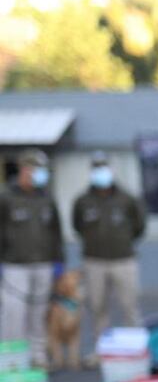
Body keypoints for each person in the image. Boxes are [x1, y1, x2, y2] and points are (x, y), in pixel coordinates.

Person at [72, 152, 146, 363]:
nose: (100, 172)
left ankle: (134, 350)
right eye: (96, 168)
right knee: (97, 307)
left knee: (129, 305)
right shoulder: (83, 201)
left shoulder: (127, 199)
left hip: (123, 259)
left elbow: (139, 226)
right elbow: (77, 226)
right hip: (94, 260)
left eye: (103, 167)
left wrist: (122, 242)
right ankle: (101, 351)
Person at [0, 149, 64, 367]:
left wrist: (58, 262)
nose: (41, 175)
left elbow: (56, 232)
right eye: (37, 170)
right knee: (14, 315)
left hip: (43, 264)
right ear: (25, 170)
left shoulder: (46, 198)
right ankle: (13, 360)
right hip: (14, 265)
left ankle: (38, 356)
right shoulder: (6, 197)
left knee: (39, 314)